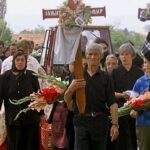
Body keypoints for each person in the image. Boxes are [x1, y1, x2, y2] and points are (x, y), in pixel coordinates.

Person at [64, 43, 119, 150]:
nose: (93, 57)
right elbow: (67, 100)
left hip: (100, 122)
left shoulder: (106, 77)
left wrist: (115, 124)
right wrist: (71, 88)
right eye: (90, 54)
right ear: (86, 56)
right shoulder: (76, 75)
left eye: (96, 54)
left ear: (101, 56)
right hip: (81, 121)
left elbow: (112, 102)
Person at [0, 50, 45, 150]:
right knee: (14, 145)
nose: (20, 62)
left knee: (30, 145)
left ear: (25, 62)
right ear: (14, 62)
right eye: (17, 60)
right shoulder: (5, 77)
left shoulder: (32, 76)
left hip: (30, 119)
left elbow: (38, 96)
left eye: (22, 60)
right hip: (13, 119)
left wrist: (41, 113)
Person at [110, 42, 144, 150]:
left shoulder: (139, 72)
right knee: (122, 141)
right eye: (121, 54)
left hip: (136, 109)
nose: (124, 57)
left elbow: (144, 92)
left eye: (127, 54)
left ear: (132, 56)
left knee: (134, 139)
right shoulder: (114, 72)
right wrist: (122, 95)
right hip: (120, 110)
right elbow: (110, 93)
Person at [130, 50, 150, 150]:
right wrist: (133, 110)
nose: (148, 65)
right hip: (143, 124)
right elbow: (131, 102)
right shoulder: (139, 82)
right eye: (146, 62)